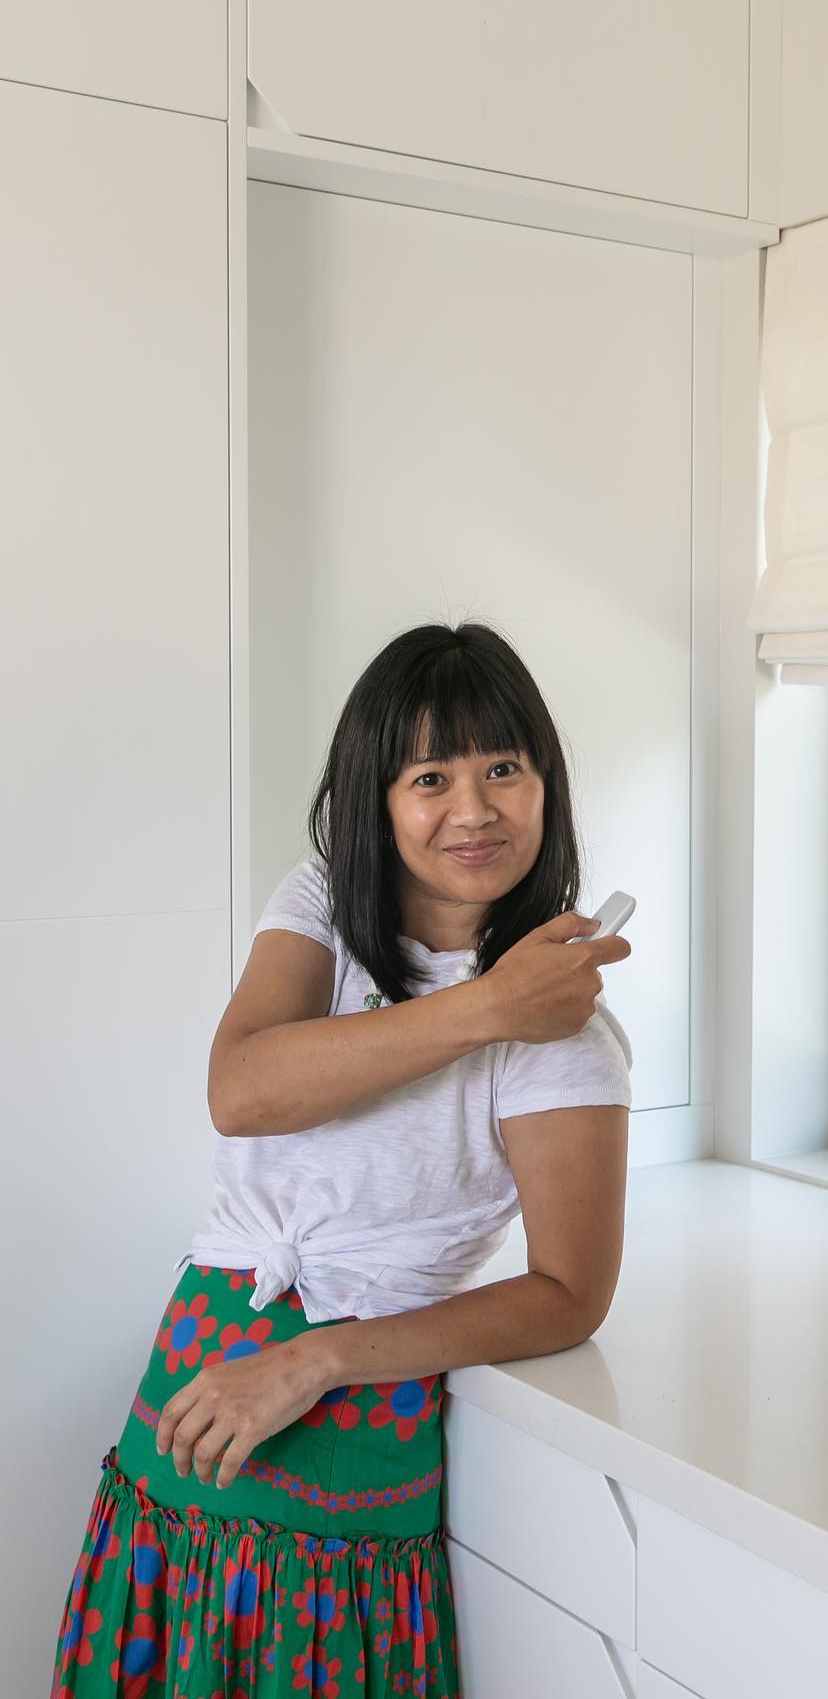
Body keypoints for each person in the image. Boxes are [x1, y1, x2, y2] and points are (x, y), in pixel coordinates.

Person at [50, 620, 635, 1697]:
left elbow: (567, 1295)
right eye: (431, 775)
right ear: (378, 796)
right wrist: (485, 1005)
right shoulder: (320, 905)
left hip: (354, 1400)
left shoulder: (570, 1042)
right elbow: (244, 1091)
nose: (474, 808)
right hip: (194, 1367)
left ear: (545, 783)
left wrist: (315, 1361)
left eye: (505, 767)